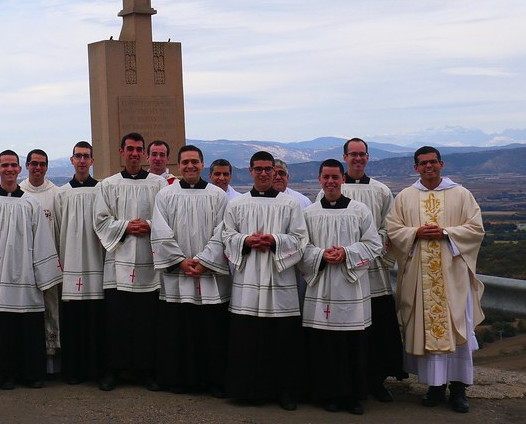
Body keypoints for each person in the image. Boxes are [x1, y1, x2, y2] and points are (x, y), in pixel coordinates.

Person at [386, 146, 485, 414]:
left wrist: (445, 232)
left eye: (433, 162)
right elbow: (393, 229)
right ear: (415, 167)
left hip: (453, 277)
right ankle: (435, 386)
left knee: (456, 327)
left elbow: (476, 229)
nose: (428, 167)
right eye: (423, 163)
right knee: (428, 328)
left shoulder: (461, 194)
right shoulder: (406, 197)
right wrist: (415, 232)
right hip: (421, 277)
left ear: (441, 164)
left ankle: (459, 389)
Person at [217, 151, 308, 410]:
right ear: (250, 171)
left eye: (269, 169)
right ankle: (248, 390)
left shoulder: (289, 204)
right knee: (249, 340)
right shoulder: (237, 204)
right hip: (248, 282)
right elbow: (226, 236)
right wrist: (245, 241)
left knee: (282, 341)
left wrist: (275, 240)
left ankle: (285, 392)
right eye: (259, 169)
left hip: (280, 283)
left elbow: (301, 240)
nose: (265, 173)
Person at [0, 150, 61, 389]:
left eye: (13, 165)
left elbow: (41, 240)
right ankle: (2, 375)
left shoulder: (31, 203)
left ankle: (30, 374)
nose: (9, 169)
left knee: (27, 327)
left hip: (27, 276)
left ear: (20, 170)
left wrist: (44, 275)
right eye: (5, 165)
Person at [325, 137, 405, 401]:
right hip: (342, 273)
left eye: (362, 154)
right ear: (345, 157)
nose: (358, 159)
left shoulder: (381, 191)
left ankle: (376, 380)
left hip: (372, 271)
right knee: (349, 327)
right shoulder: (331, 185)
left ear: (368, 157)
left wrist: (368, 249)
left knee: (377, 328)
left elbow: (389, 228)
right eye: (353, 154)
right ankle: (347, 378)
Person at [299, 159, 381, 415]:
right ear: (320, 180)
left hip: (350, 287)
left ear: (343, 179)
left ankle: (351, 396)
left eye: (335, 177)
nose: (331, 182)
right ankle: (327, 395)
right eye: (326, 177)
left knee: (350, 344)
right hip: (321, 286)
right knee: (324, 345)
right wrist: (321, 255)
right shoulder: (309, 213)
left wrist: (346, 253)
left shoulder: (360, 210)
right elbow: (301, 247)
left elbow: (374, 244)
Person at [151, 145, 230, 396]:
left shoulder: (218, 196)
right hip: (178, 275)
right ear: (178, 166)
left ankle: (211, 380)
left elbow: (223, 231)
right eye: (185, 162)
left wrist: (205, 260)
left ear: (202, 164)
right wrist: (180, 261)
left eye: (194, 161)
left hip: (207, 275)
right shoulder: (166, 195)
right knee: (178, 330)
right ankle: (177, 379)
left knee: (209, 329)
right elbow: (161, 231)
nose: (190, 166)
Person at [93, 132, 167, 391]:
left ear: (145, 154)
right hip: (118, 263)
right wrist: (126, 226)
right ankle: (114, 370)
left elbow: (168, 219)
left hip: (149, 264)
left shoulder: (159, 185)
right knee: (117, 320)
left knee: (147, 320)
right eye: (130, 149)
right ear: (121, 152)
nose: (134, 154)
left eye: (139, 150)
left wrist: (147, 225)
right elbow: (100, 221)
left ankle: (146, 370)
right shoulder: (108, 185)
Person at [52, 141, 104, 384]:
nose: (82, 160)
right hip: (70, 263)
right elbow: (58, 228)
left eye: (86, 156)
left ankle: (95, 370)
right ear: (72, 160)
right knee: (72, 318)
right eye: (78, 156)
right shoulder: (61, 193)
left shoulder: (102, 191)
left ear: (92, 161)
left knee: (96, 319)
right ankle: (72, 370)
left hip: (98, 263)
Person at [18, 149, 62, 372]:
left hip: (51, 261)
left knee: (51, 309)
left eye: (42, 164)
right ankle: (32, 359)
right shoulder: (19, 193)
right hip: (24, 264)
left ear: (47, 166)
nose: (38, 168)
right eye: (33, 163)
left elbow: (62, 229)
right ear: (26, 166)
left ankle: (52, 361)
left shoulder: (57, 193)